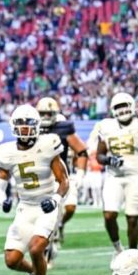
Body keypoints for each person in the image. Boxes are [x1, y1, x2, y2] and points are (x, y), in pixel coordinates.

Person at [0, 104, 69, 275]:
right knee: (11, 260)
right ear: (13, 126)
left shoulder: (48, 144)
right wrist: (3, 200)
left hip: (47, 206)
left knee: (36, 249)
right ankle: (34, 273)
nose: (25, 129)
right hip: (25, 208)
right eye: (20, 124)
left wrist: (55, 199)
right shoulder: (6, 151)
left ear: (36, 126)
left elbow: (63, 180)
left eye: (29, 124)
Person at [96, 92, 138, 260]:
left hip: (136, 175)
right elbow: (99, 155)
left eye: (125, 105)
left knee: (132, 218)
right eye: (118, 107)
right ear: (112, 110)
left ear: (132, 106)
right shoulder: (106, 126)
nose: (122, 109)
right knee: (109, 215)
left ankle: (133, 254)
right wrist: (109, 159)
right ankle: (117, 248)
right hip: (114, 176)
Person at [36, 97, 87, 259]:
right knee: (47, 219)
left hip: (63, 176)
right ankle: (47, 251)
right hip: (43, 179)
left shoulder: (64, 129)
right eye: (42, 114)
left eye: (48, 114)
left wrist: (80, 173)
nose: (45, 117)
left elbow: (81, 151)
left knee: (68, 209)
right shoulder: (32, 128)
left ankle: (59, 229)